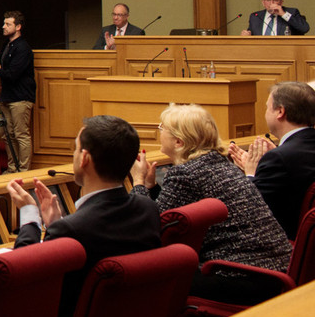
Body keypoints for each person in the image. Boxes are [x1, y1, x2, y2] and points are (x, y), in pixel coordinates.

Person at [7, 115, 161, 317]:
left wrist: (29, 215)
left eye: (76, 149)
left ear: (84, 158)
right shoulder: (148, 209)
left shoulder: (71, 230)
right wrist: (55, 224)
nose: (74, 155)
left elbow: (25, 281)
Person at [131, 103, 290, 304]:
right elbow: (171, 210)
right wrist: (151, 186)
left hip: (244, 278)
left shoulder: (186, 173)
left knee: (149, 281)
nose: (158, 132)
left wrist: (138, 182)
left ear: (179, 142)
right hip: (274, 270)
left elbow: (147, 228)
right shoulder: (219, 163)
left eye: (162, 128)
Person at [230, 81, 315, 238]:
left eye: (267, 107)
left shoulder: (279, 159)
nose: (265, 112)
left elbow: (249, 211)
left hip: (282, 242)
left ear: (280, 112)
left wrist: (250, 173)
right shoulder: (284, 155)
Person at [0, 10, 36, 172]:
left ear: (18, 27)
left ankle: (24, 170)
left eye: (8, 24)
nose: (3, 27)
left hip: (21, 97)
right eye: (4, 23)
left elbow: (13, 74)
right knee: (8, 135)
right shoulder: (7, 45)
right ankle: (13, 168)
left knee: (21, 134)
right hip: (7, 96)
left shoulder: (23, 48)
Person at [241, 0, 309, 36]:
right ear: (263, 3)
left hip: (285, 51)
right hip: (260, 51)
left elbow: (304, 28)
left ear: (281, 2)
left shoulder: (292, 12)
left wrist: (283, 14)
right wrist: (247, 35)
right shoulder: (255, 16)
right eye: (268, 0)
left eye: (275, 0)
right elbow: (251, 33)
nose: (271, 3)